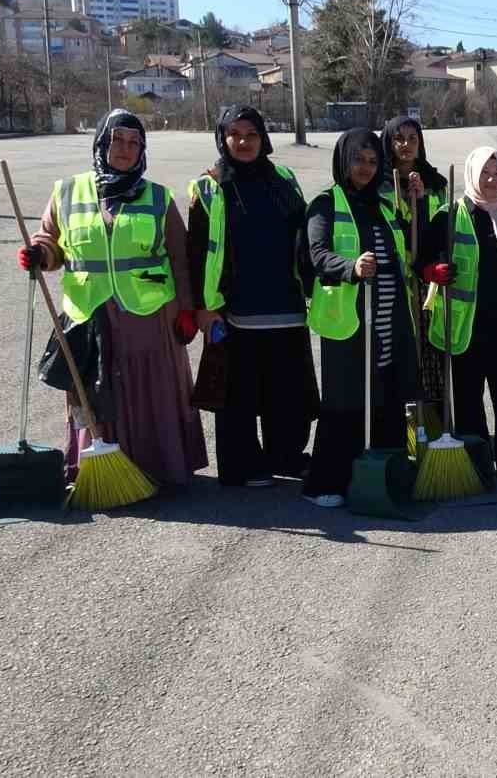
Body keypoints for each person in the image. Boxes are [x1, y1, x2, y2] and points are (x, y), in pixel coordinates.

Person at [20, 109, 206, 489]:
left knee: (150, 391)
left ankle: (159, 468)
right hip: (87, 311)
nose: (125, 149)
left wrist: (187, 309)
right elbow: (51, 241)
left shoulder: (157, 198)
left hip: (148, 315)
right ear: (102, 143)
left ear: (142, 150)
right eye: (117, 140)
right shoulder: (67, 192)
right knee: (92, 393)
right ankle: (97, 473)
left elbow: (180, 258)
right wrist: (40, 254)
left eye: (134, 142)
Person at [186, 105, 318, 488]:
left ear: (264, 139)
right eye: (235, 134)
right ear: (222, 138)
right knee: (238, 394)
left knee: (287, 391)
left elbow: (305, 238)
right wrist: (203, 309)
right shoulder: (208, 186)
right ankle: (245, 464)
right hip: (234, 310)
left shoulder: (284, 179)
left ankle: (287, 456)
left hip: (286, 307)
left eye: (252, 135)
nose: (244, 142)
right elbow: (195, 253)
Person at [300, 128, 420, 507]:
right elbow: (316, 253)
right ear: (343, 160)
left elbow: (407, 252)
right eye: (358, 159)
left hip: (388, 320)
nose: (365, 168)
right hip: (349, 321)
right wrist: (350, 266)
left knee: (386, 397)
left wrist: (414, 206)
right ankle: (326, 483)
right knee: (346, 401)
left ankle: (382, 476)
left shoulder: (384, 206)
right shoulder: (326, 204)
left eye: (372, 161)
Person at [417, 146, 497, 482]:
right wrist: (433, 269)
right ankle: (476, 466)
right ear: (472, 175)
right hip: (467, 324)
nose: (492, 180)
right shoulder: (450, 215)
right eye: (485, 174)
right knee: (468, 398)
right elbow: (420, 260)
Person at [382, 115, 447, 436]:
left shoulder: (436, 182)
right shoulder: (379, 183)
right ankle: (403, 422)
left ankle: (434, 417)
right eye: (398, 138)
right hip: (395, 278)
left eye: (412, 138)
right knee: (401, 346)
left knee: (431, 346)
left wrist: (420, 200)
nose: (405, 145)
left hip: (427, 279)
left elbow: (440, 229)